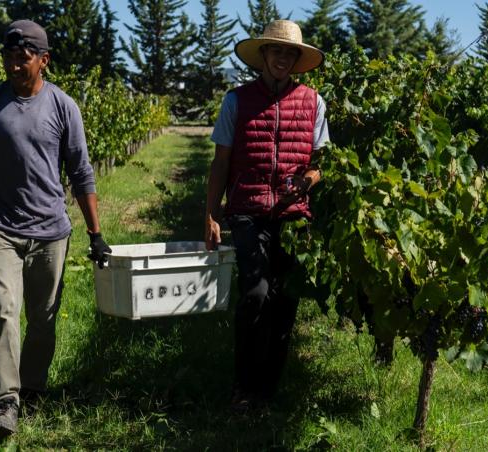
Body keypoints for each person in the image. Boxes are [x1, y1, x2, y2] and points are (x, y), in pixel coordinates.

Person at [0, 19, 112, 437]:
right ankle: (5, 401)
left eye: (23, 58)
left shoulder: (62, 107)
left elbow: (81, 172)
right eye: (8, 57)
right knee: (3, 311)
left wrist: (95, 233)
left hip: (51, 231)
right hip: (0, 227)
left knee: (43, 319)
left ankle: (32, 388)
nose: (14, 65)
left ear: (43, 60)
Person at [204, 19, 329, 411]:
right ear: (263, 56)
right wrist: (211, 213)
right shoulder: (236, 101)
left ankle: (268, 387)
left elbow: (319, 162)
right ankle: (244, 384)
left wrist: (306, 182)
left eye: (290, 53)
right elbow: (221, 161)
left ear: (297, 59)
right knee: (256, 294)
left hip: (293, 214)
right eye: (277, 51)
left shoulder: (313, 102)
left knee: (285, 299)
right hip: (247, 209)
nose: (283, 58)